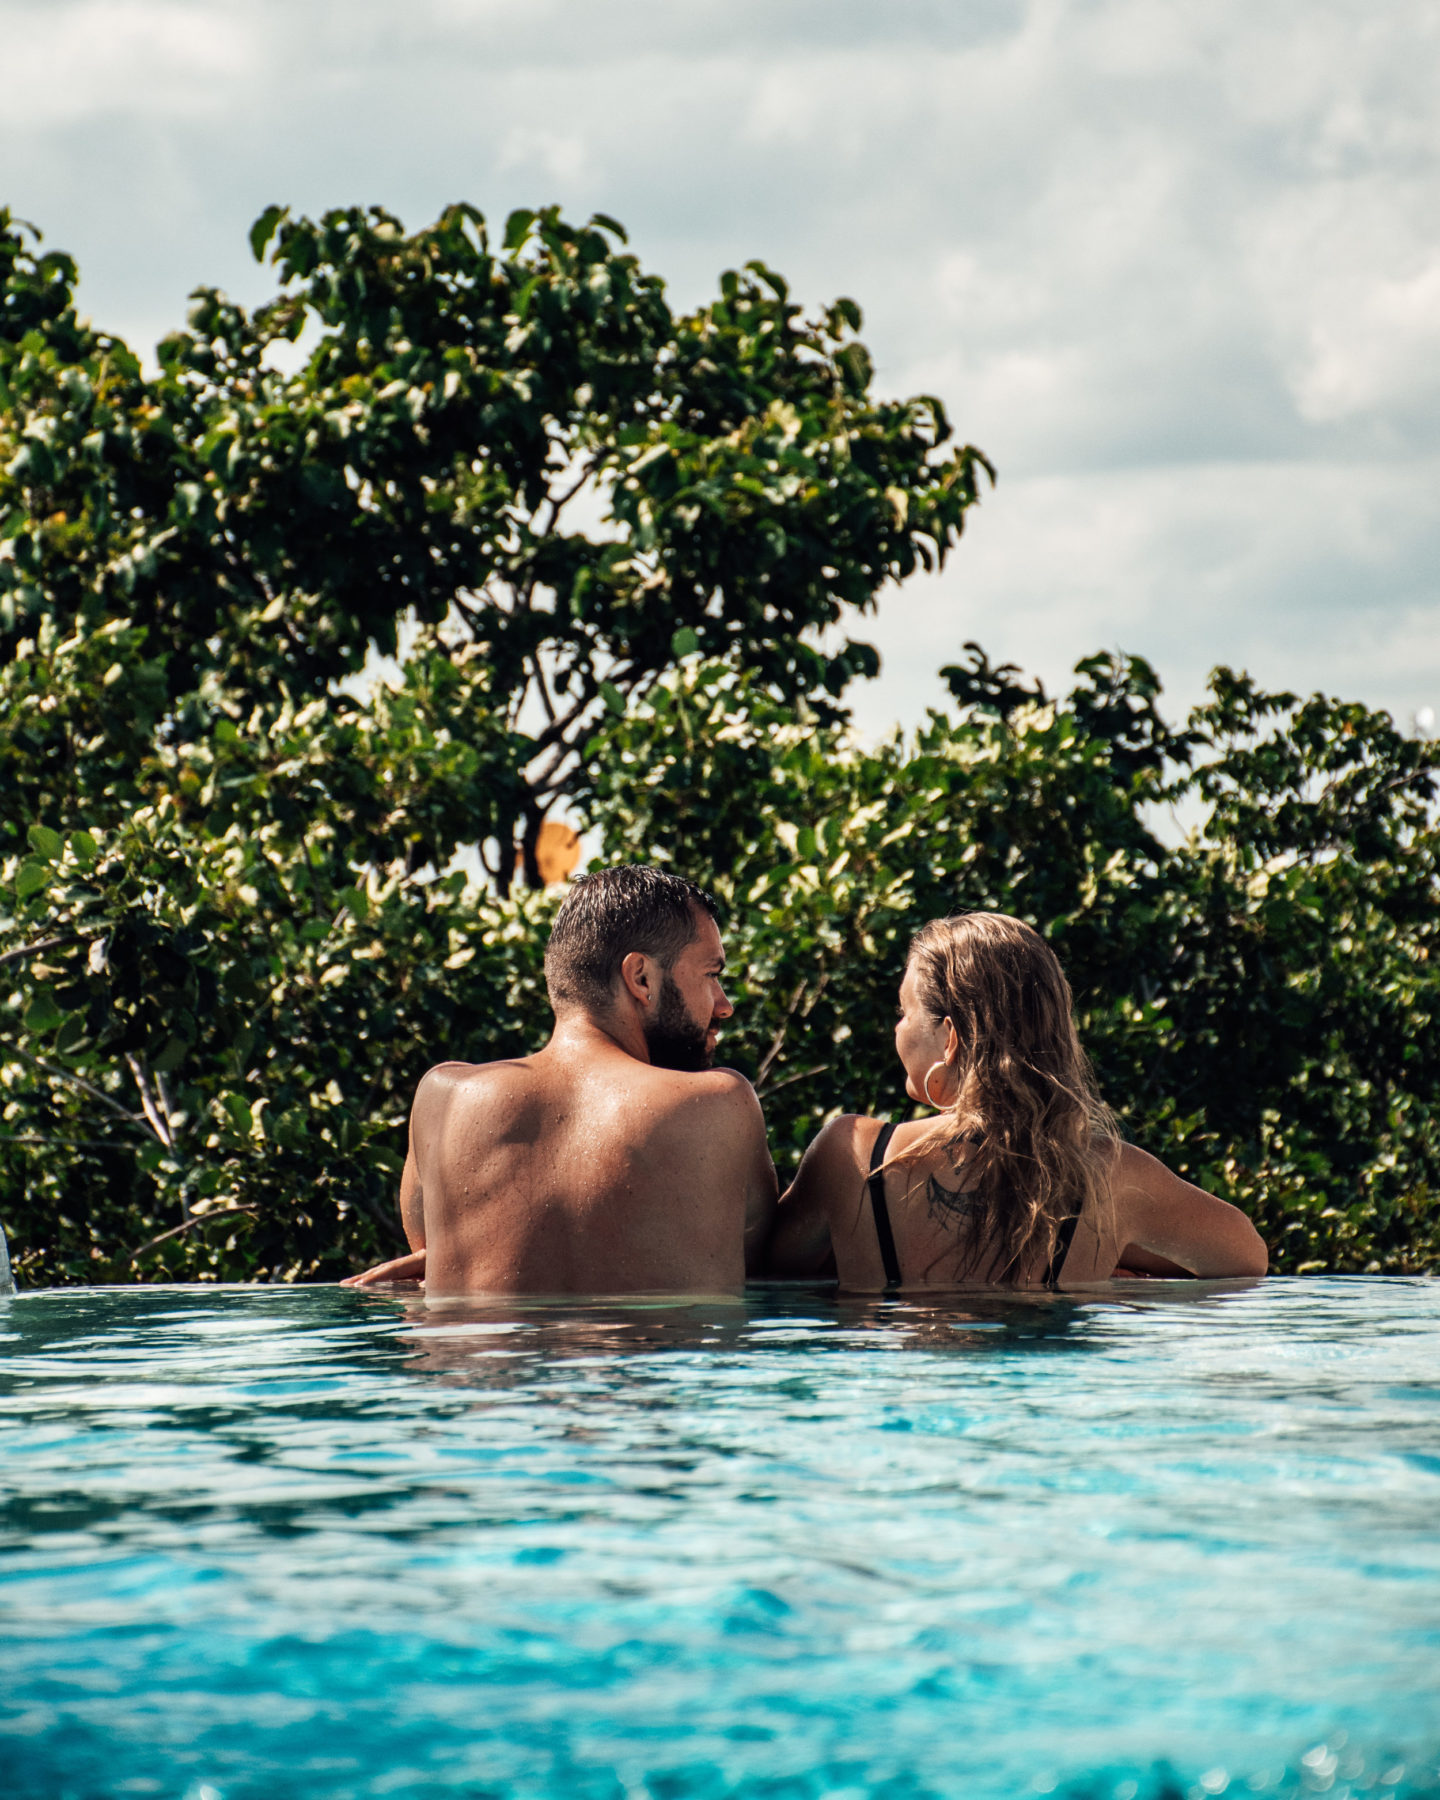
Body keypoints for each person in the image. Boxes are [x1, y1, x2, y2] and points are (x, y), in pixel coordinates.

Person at [766, 912, 1268, 1290]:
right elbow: (1246, 1260)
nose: (895, 1030)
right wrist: (1108, 1271)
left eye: (903, 1011)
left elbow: (768, 1269)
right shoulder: (1108, 1176)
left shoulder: (851, 1154)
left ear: (951, 1037)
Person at [344, 866, 777, 1295]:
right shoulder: (719, 1102)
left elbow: (436, 1256)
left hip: (487, 1362)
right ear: (641, 978)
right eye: (712, 975)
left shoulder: (443, 1099)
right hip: (652, 1358)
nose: (724, 1006)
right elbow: (772, 1260)